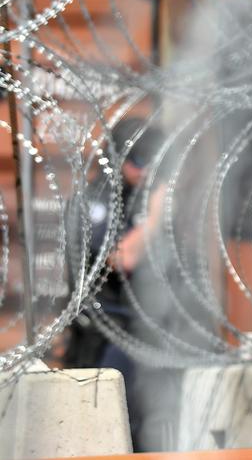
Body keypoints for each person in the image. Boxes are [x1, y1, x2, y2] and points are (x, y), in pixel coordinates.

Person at [64, 117, 166, 449]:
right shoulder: (98, 200)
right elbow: (123, 259)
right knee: (109, 425)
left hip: (148, 329)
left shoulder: (144, 195)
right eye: (139, 161)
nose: (148, 171)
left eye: (155, 161)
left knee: (151, 423)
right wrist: (155, 220)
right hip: (108, 332)